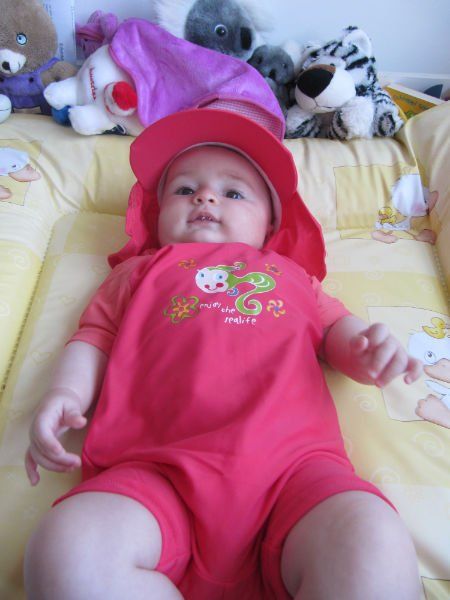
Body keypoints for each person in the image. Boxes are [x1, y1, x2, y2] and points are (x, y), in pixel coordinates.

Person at [24, 106, 422, 600]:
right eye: (184, 189)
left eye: (233, 193)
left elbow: (338, 330)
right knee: (67, 550)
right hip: (155, 471)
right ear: (156, 213)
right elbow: (94, 337)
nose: (205, 196)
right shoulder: (137, 272)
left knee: (373, 543)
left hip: (294, 474)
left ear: (270, 224)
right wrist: (64, 394)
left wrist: (367, 350)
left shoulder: (293, 277)